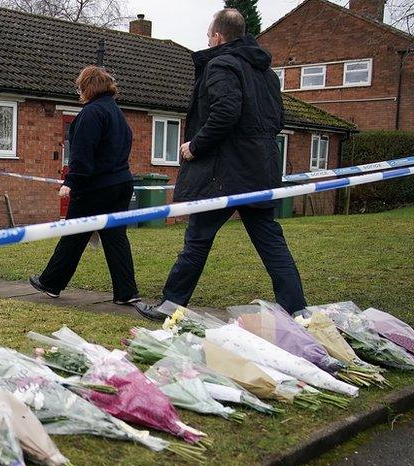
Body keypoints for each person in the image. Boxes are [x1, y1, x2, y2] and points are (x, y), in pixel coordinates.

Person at [135, 9, 307, 321]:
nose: (207, 41)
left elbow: (226, 112)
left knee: (198, 238)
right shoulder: (266, 74)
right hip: (261, 169)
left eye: (208, 36)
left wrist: (195, 145)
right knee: (270, 240)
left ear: (217, 36)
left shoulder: (220, 64)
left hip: (225, 174)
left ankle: (171, 304)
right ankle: (297, 308)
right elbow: (278, 120)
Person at [28, 66, 140, 305]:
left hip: (95, 186)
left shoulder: (90, 114)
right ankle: (126, 291)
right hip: (121, 182)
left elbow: (82, 154)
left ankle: (51, 282)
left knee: (73, 235)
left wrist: (71, 181)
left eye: (79, 86)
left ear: (88, 87)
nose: (78, 91)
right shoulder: (117, 114)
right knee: (116, 237)